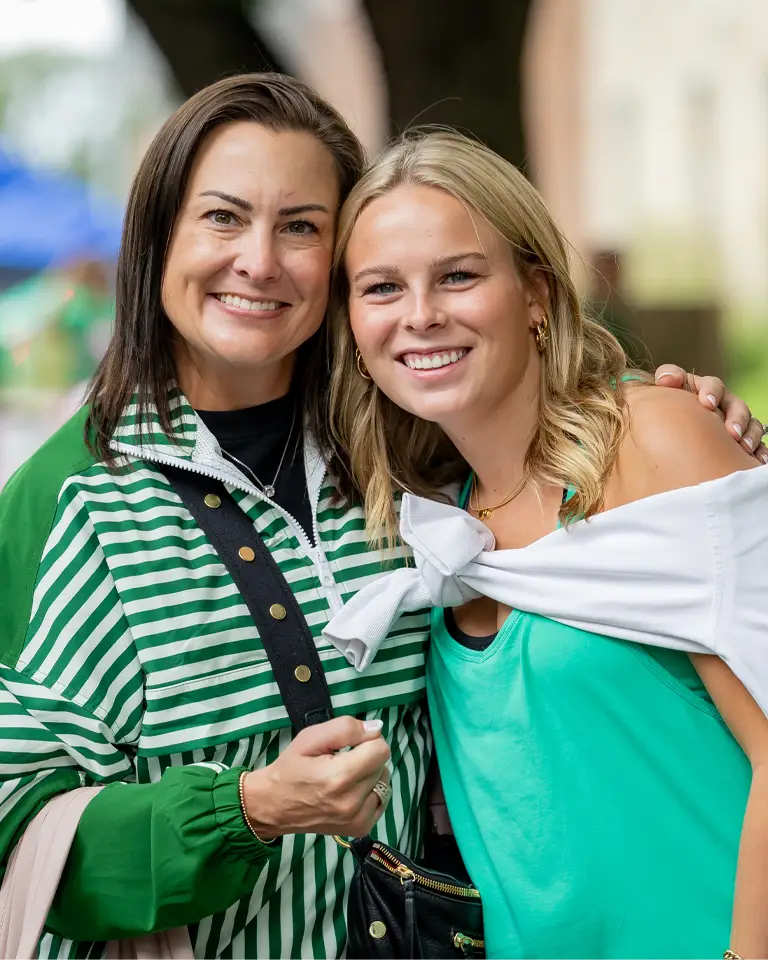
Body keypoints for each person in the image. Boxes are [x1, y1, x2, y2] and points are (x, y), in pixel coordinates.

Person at [0, 76, 760, 959]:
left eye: (301, 227)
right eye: (220, 217)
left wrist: (691, 422)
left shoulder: (413, 464)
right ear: (155, 238)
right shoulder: (65, 499)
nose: (259, 259)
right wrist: (244, 809)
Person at [325, 129, 768, 959]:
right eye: (382, 287)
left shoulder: (654, 443)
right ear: (350, 322)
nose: (421, 314)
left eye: (458, 275)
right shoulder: (435, 519)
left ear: (535, 292)